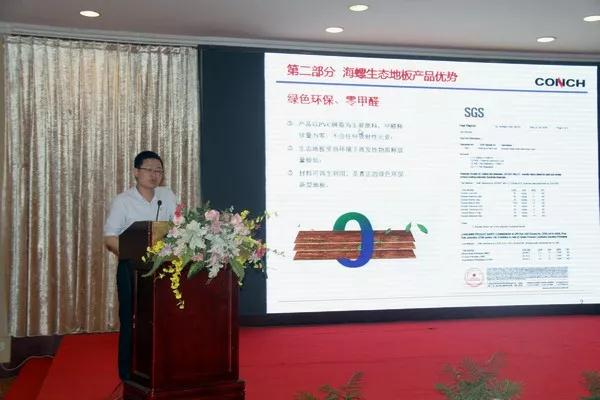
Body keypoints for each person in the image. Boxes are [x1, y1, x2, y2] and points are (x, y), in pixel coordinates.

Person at [103, 150, 177, 380]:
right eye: (149, 170)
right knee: (132, 321)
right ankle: (128, 375)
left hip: (164, 269)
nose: (154, 175)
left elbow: (178, 227)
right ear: (136, 172)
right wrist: (136, 255)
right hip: (132, 270)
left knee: (163, 320)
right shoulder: (123, 201)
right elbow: (110, 237)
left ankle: (161, 369)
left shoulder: (167, 195)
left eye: (159, 171)